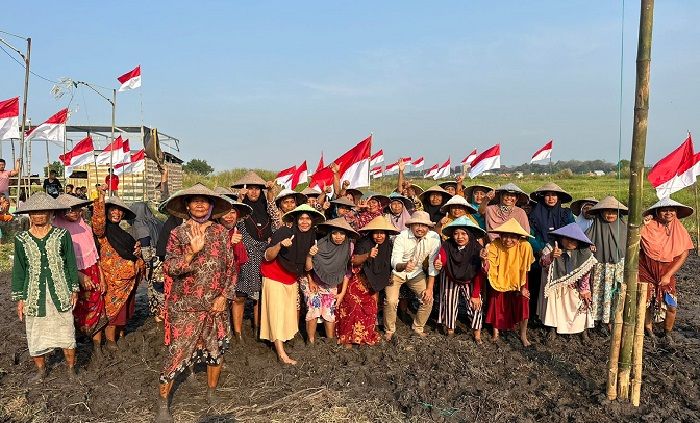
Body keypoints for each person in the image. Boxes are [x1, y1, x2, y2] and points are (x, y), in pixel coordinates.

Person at [157, 184, 237, 422]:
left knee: (215, 350)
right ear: (187, 206)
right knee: (177, 352)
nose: (200, 205)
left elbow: (231, 268)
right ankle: (162, 404)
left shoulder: (221, 233)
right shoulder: (177, 234)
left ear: (211, 206)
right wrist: (191, 253)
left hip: (215, 305)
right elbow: (169, 267)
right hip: (186, 305)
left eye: (205, 201)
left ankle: (211, 393)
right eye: (195, 201)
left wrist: (224, 296)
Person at [11, 192, 79, 381]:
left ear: (50, 212)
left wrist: (74, 288)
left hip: (60, 291)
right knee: (35, 334)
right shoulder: (21, 239)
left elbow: (70, 263)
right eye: (34, 212)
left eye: (42, 211)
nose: (38, 215)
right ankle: (41, 371)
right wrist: (20, 298)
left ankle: (71, 369)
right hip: (34, 294)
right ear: (29, 214)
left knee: (66, 329)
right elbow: (19, 270)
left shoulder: (62, 235)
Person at [260, 204, 325, 364]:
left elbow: (307, 267)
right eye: (301, 218)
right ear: (296, 220)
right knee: (276, 314)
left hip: (291, 278)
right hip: (274, 275)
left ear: (312, 222)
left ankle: (282, 341)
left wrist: (310, 256)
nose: (304, 222)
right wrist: (280, 244)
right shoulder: (284, 232)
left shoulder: (312, 237)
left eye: (308, 219)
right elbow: (268, 255)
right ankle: (281, 354)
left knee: (288, 313)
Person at [54, 194, 108, 361]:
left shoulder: (85, 226)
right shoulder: (56, 229)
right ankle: (72, 351)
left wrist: (101, 277)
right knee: (71, 311)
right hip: (68, 275)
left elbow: (95, 254)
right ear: (61, 211)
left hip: (92, 271)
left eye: (77, 209)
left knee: (96, 307)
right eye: (69, 210)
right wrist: (78, 275)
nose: (74, 212)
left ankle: (97, 347)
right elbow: (58, 259)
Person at [93, 190, 144, 350]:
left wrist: (137, 252)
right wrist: (100, 198)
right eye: (113, 209)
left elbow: (132, 253)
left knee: (125, 310)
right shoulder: (103, 232)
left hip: (128, 280)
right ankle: (110, 342)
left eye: (119, 210)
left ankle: (121, 335)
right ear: (106, 211)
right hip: (113, 282)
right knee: (114, 312)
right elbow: (98, 221)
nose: (116, 213)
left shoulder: (124, 234)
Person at [336, 216, 399, 346]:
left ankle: (364, 335)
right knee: (353, 303)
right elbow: (353, 260)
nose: (379, 236)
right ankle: (348, 337)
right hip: (359, 279)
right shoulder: (364, 243)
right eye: (376, 233)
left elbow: (389, 265)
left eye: (382, 233)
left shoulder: (389, 245)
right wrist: (367, 255)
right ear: (371, 233)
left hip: (375, 283)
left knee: (371, 306)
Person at [640, 198, 694, 346]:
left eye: (672, 210)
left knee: (671, 305)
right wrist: (641, 225)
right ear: (657, 212)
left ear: (676, 213)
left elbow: (684, 254)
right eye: (664, 210)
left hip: (667, 272)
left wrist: (668, 275)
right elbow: (632, 240)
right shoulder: (648, 225)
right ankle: (649, 330)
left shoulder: (679, 228)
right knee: (646, 303)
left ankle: (667, 332)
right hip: (646, 270)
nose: (668, 213)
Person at [386, 210, 441, 340]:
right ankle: (390, 329)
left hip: (417, 272)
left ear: (428, 227)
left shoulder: (434, 238)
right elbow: (395, 261)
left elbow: (433, 263)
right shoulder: (402, 236)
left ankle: (418, 326)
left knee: (428, 299)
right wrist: (404, 265)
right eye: (417, 225)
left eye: (424, 226)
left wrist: (429, 288)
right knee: (391, 300)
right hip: (398, 272)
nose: (420, 228)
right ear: (411, 226)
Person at [232, 171, 273, 340]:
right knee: (239, 296)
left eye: (257, 189)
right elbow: (232, 220)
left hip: (263, 258)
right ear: (245, 190)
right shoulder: (241, 209)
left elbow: (274, 212)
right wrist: (239, 201)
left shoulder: (266, 209)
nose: (254, 192)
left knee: (259, 297)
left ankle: (258, 329)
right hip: (244, 259)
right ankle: (238, 332)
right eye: (250, 188)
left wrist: (271, 192)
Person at [303, 217, 358, 343]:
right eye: (334, 233)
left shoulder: (349, 247)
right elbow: (308, 268)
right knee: (314, 309)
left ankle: (330, 341)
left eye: (342, 233)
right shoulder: (319, 244)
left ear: (346, 235)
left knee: (329, 311)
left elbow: (347, 272)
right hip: (312, 281)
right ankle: (310, 341)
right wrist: (310, 255)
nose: (338, 236)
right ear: (330, 234)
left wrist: (342, 293)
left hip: (332, 283)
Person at [539, 223, 597, 340]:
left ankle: (583, 330)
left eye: (574, 240)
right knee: (553, 299)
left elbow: (586, 273)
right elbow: (542, 263)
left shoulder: (584, 251)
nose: (571, 242)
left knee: (582, 300)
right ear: (561, 238)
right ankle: (552, 328)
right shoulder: (551, 247)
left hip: (575, 284)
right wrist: (550, 256)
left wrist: (584, 290)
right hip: (555, 284)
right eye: (568, 239)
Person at [434, 216, 487, 343]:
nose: (459, 237)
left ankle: (477, 333)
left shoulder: (477, 249)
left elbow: (480, 273)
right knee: (449, 302)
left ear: (469, 235)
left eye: (463, 233)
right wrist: (438, 262)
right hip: (450, 277)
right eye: (456, 233)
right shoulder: (447, 244)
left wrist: (475, 294)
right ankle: (450, 329)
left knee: (475, 304)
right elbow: (441, 256)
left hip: (472, 280)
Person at [484, 218, 535, 346]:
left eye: (513, 237)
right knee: (496, 302)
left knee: (523, 303)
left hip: (520, 278)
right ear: (500, 235)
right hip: (499, 276)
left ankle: (523, 334)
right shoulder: (495, 244)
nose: (508, 240)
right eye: (505, 236)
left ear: (519, 237)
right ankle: (496, 332)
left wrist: (522, 287)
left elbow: (525, 268)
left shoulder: (525, 246)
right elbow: (491, 264)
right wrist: (485, 260)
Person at [528, 182, 575, 321]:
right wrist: (541, 249)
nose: (551, 198)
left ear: (558, 197)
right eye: (547, 195)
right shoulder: (534, 214)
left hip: (562, 251)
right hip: (540, 253)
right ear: (542, 197)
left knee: (561, 286)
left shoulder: (566, 213)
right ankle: (539, 315)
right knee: (538, 285)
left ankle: (560, 317)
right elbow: (530, 235)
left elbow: (573, 231)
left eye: (554, 195)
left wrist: (562, 246)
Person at [214, 187, 252, 342]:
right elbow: (210, 256)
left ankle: (238, 333)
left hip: (238, 270)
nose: (229, 217)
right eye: (225, 213)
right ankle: (220, 335)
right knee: (219, 303)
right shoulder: (213, 230)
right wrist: (229, 243)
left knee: (239, 299)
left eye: (233, 212)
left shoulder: (239, 228)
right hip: (219, 275)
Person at [585, 195, 627, 334]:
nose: (610, 214)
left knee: (616, 293)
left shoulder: (624, 227)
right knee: (599, 292)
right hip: (601, 266)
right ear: (601, 212)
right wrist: (589, 245)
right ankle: (599, 321)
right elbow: (584, 241)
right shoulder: (595, 226)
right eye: (607, 211)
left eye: (614, 211)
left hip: (619, 267)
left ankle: (613, 321)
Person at [129, 202, 165, 322]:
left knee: (155, 286)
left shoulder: (140, 224)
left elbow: (145, 248)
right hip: (163, 257)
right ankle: (164, 311)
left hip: (153, 260)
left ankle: (160, 312)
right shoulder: (157, 222)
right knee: (162, 284)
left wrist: (146, 263)